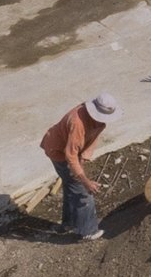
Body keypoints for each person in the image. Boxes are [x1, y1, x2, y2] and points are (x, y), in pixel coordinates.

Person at [41, 93, 119, 241]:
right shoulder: (78, 123)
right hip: (58, 151)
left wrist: (82, 160)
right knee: (82, 192)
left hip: (68, 151)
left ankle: (68, 224)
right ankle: (88, 231)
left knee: (71, 186)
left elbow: (92, 140)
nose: (103, 121)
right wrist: (85, 180)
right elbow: (70, 155)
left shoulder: (99, 122)